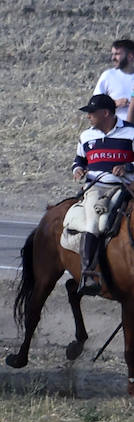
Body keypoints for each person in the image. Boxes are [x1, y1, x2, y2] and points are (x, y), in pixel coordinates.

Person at [68, 93, 134, 295]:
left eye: (91, 113)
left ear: (106, 113)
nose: (88, 117)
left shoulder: (131, 132)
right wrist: (77, 170)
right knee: (97, 223)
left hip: (126, 186)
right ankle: (88, 273)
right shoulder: (86, 136)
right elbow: (78, 160)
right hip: (97, 188)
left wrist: (127, 167)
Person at [94, 39, 134, 112]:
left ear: (130, 56)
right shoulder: (108, 76)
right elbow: (95, 103)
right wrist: (115, 103)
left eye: (117, 54)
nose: (113, 58)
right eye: (112, 54)